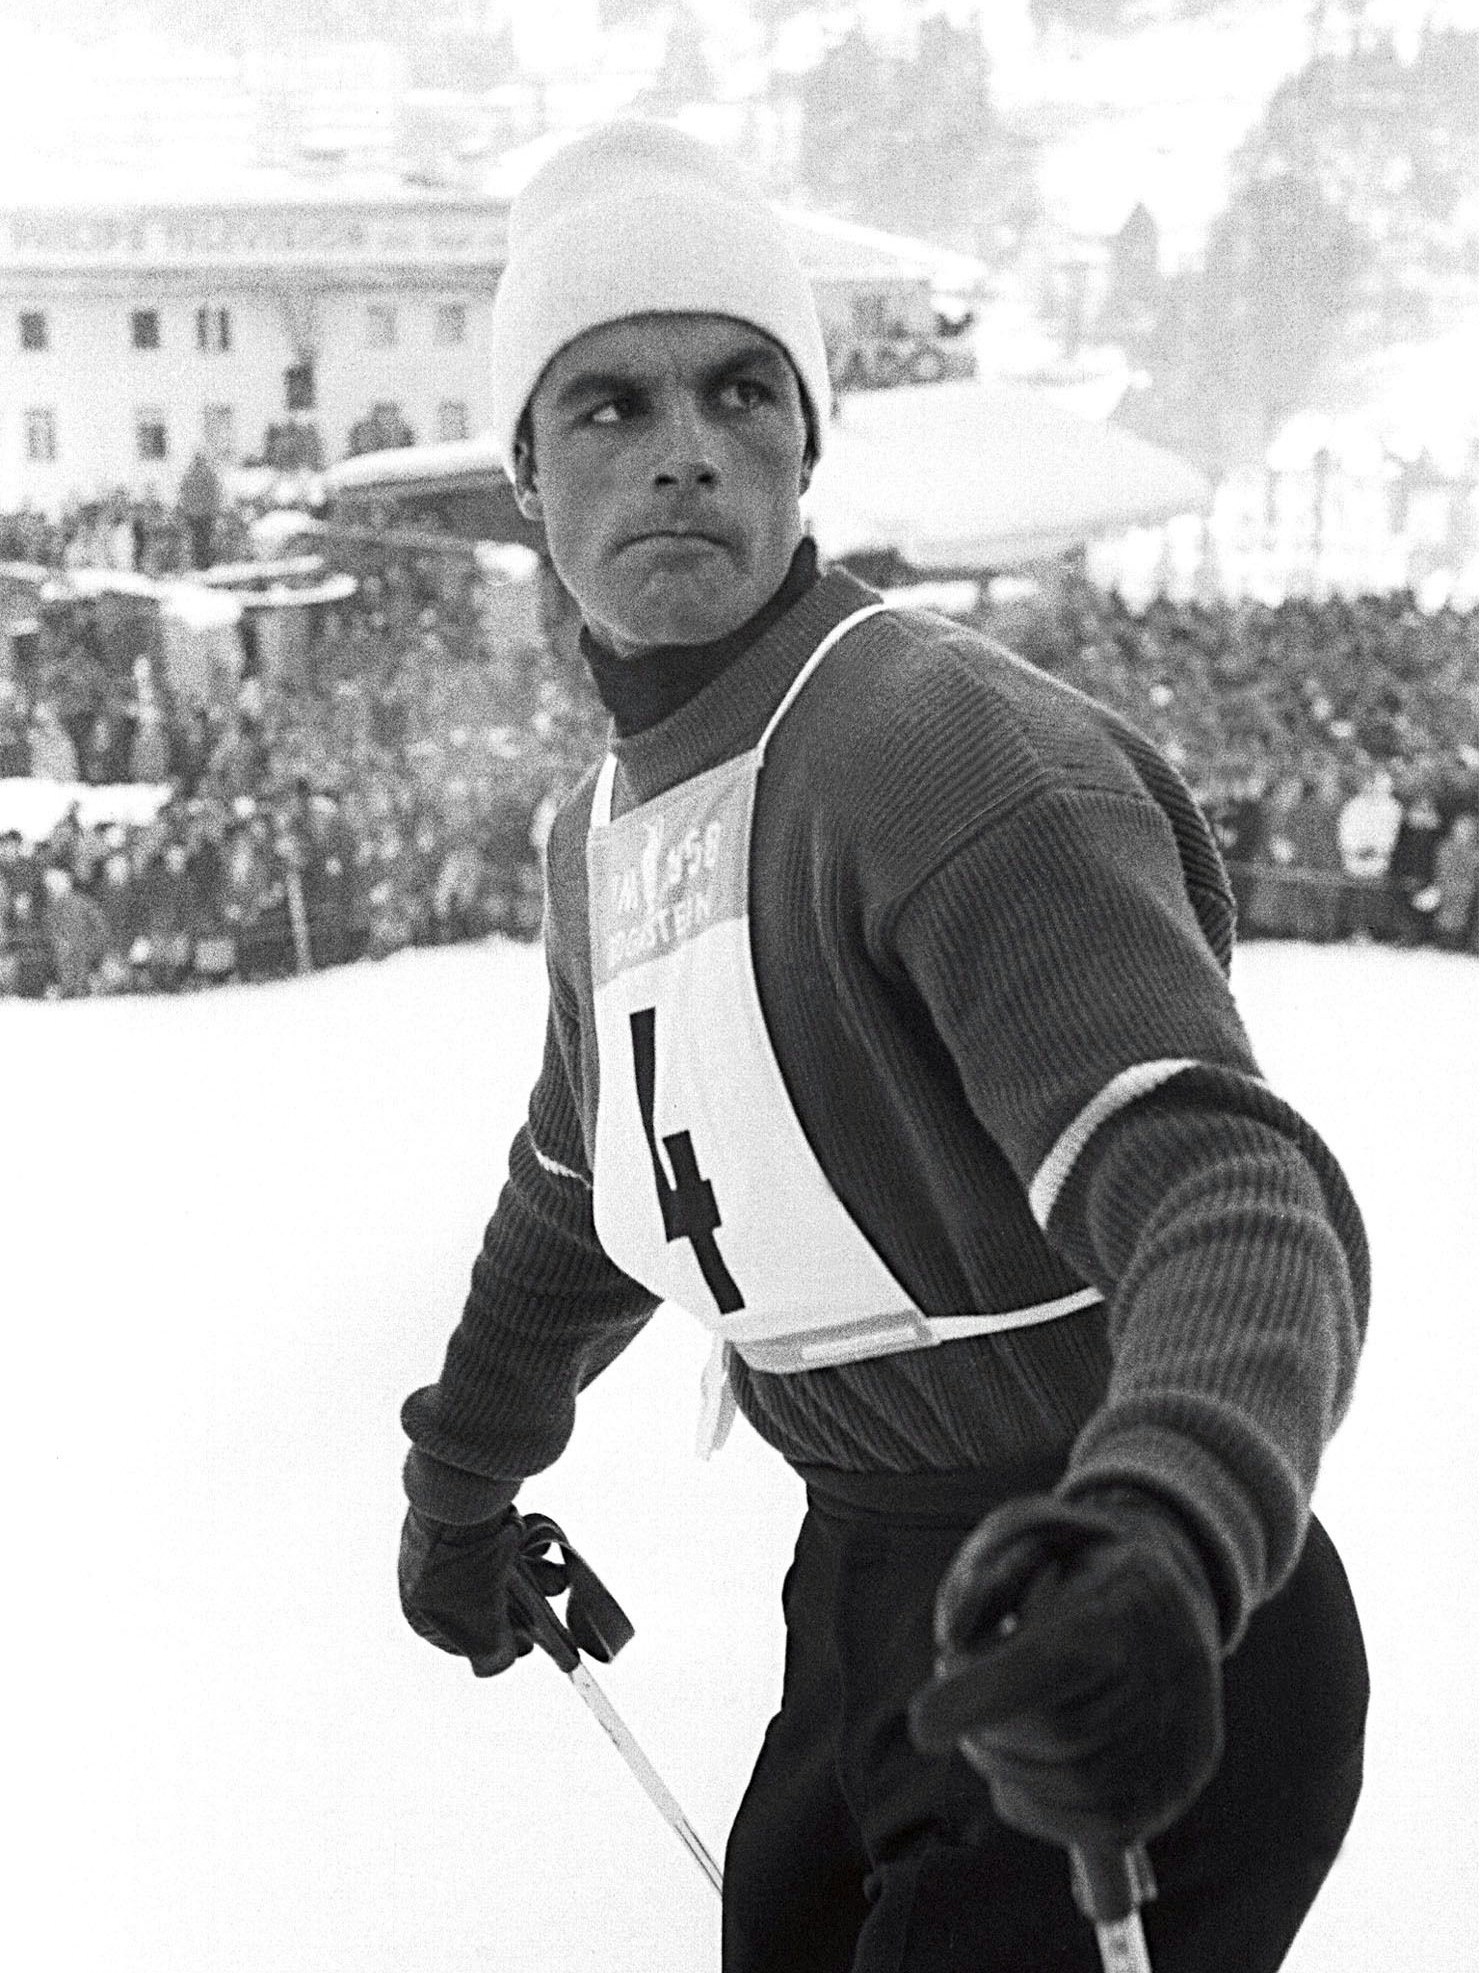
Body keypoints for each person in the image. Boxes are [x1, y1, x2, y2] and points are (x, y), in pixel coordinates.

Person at [397, 122, 1369, 1973]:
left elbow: (1234, 1197)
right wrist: (460, 1482)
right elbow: (575, 1193)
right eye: (605, 402)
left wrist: (1158, 1540)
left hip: (1113, 1604)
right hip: (860, 1581)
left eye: (740, 388)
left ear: (806, 442)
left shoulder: (933, 749)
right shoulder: (599, 831)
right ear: (525, 474)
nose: (683, 442)